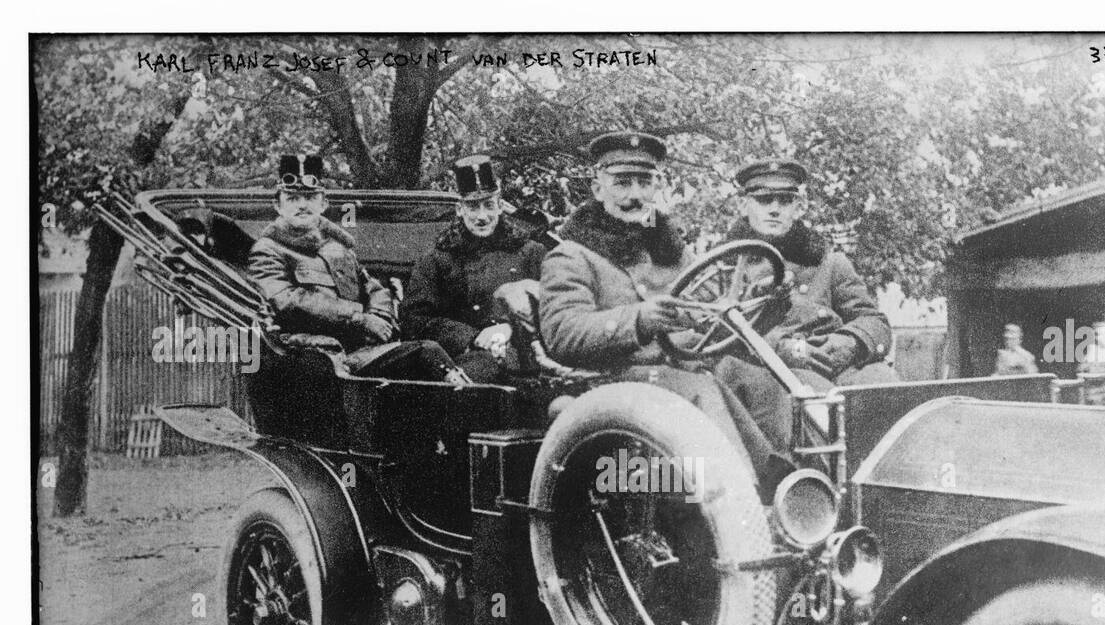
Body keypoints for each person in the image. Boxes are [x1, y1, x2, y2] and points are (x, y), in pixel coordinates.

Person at [540, 131, 794, 495]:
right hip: (610, 382)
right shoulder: (572, 256)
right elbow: (562, 333)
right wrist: (640, 320)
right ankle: (737, 505)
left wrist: (764, 305)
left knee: (758, 379)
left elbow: (712, 317)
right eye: (622, 183)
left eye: (645, 182)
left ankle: (783, 489)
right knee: (698, 388)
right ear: (598, 189)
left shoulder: (673, 253)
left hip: (679, 370)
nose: (635, 195)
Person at [709, 158, 896, 453]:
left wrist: (850, 342)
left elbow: (875, 321)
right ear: (744, 206)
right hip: (773, 370)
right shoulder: (723, 268)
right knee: (818, 409)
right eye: (763, 199)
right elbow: (716, 336)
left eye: (785, 200)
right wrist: (786, 349)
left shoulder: (829, 263)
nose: (774, 208)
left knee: (885, 388)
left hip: (838, 361)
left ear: (799, 208)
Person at [249, 154, 463, 381]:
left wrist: (380, 319)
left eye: (310, 197)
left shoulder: (338, 249)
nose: (303, 205)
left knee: (430, 357)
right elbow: (288, 301)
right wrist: (358, 318)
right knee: (425, 355)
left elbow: (374, 289)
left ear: (323, 204)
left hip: (357, 354)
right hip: (310, 356)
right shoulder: (267, 250)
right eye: (293, 198)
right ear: (277, 205)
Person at [402, 155, 550, 381]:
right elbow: (415, 322)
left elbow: (556, 313)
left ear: (500, 206)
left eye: (489, 205)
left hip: (530, 366)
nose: (482, 216)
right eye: (472, 206)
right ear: (459, 209)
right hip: (468, 369)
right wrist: (471, 338)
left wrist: (509, 329)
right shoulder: (437, 259)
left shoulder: (531, 253)